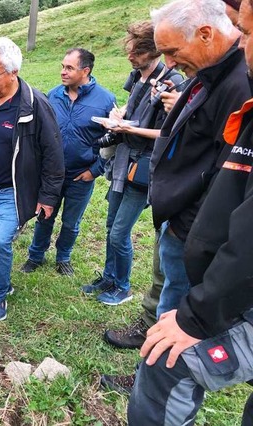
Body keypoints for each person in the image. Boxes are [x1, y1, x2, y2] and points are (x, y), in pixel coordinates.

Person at [100, 0, 250, 394]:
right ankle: (153, 371)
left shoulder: (237, 84)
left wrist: (191, 228)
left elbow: (227, 178)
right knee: (167, 299)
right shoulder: (209, 73)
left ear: (204, 34)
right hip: (180, 219)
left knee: (177, 316)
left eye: (171, 51)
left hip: (195, 231)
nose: (168, 61)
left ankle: (153, 382)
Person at [80, 21, 184, 306]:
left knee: (119, 231)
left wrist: (130, 130)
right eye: (130, 49)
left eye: (137, 51)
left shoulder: (172, 83)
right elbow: (132, 106)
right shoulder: (138, 76)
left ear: (154, 51)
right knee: (110, 225)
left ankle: (123, 287)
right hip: (121, 163)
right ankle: (109, 276)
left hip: (143, 167)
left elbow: (169, 132)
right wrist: (120, 114)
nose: (131, 56)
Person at [0, 37, 64, 322]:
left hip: (13, 191)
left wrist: (48, 197)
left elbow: (53, 153)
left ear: (13, 71)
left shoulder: (35, 104)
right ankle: (1, 281)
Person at [20, 48, 115, 277]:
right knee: (44, 216)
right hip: (51, 174)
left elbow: (114, 140)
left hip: (81, 176)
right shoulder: (52, 96)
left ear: (86, 70)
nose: (63, 72)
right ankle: (35, 255)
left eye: (69, 68)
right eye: (62, 66)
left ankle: (63, 257)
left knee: (71, 222)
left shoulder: (106, 100)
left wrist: (95, 171)